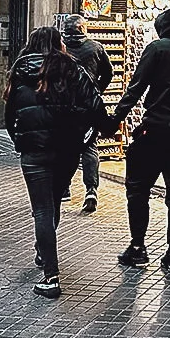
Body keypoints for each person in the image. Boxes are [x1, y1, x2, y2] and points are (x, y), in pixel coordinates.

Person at [105, 7, 170, 275]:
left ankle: (138, 246)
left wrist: (114, 119)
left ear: (162, 27)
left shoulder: (157, 49)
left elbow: (136, 87)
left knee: (138, 188)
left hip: (155, 130)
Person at [5, 26, 108, 299]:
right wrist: (94, 133)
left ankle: (50, 274)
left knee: (42, 209)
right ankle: (44, 252)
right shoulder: (72, 69)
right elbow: (95, 106)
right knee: (52, 203)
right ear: (58, 44)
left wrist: (19, 138)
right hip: (66, 150)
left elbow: (9, 113)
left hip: (33, 151)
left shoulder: (20, 71)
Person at [61, 14, 112, 213]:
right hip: (89, 106)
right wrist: (96, 89)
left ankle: (64, 188)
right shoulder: (95, 48)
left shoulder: (59, 47)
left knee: (64, 146)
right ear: (83, 29)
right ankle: (91, 189)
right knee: (90, 146)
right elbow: (108, 73)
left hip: (64, 106)